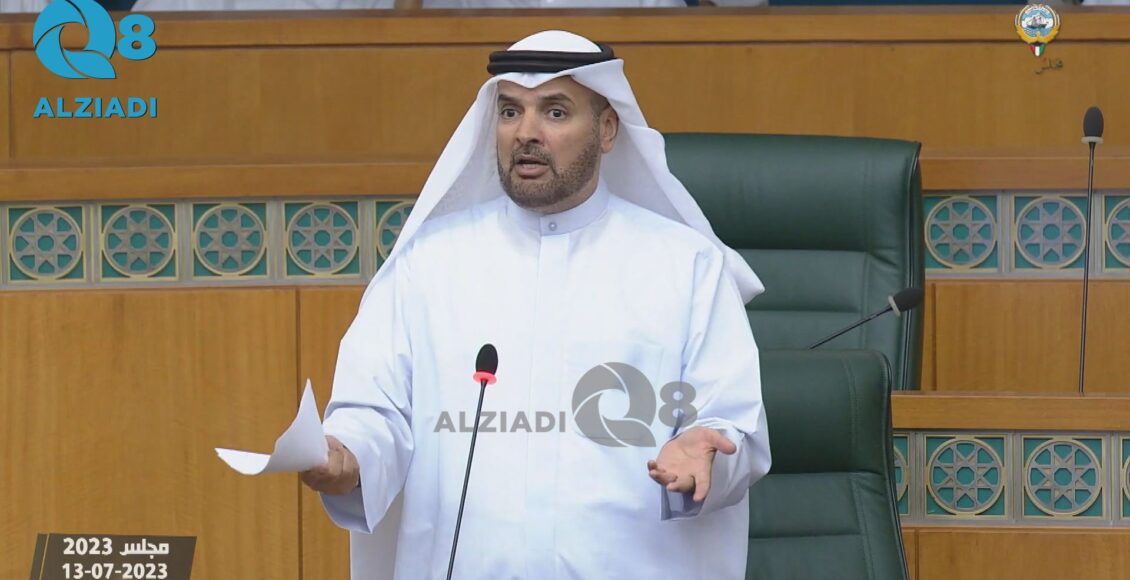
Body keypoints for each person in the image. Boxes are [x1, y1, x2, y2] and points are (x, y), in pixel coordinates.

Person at [301, 29, 771, 579]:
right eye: (510, 112)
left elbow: (730, 425)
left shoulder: (686, 265)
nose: (525, 133)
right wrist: (348, 456)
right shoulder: (427, 264)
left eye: (554, 112)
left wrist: (705, 451)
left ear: (607, 129)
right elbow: (375, 413)